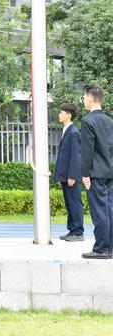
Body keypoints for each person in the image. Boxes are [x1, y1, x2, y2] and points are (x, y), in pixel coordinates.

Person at [81, 85, 113, 259]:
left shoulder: (88, 121)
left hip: (95, 173)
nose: (84, 100)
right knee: (110, 210)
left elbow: (87, 150)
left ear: (91, 98)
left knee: (99, 212)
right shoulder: (110, 121)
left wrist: (85, 174)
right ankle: (110, 248)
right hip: (109, 172)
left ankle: (101, 249)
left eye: (84, 97)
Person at [55, 103, 84, 242]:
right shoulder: (66, 130)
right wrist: (61, 177)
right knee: (69, 204)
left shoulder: (74, 132)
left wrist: (72, 176)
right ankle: (72, 230)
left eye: (61, 113)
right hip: (65, 176)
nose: (59, 115)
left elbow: (76, 156)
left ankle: (78, 232)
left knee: (75, 203)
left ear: (68, 115)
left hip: (72, 176)